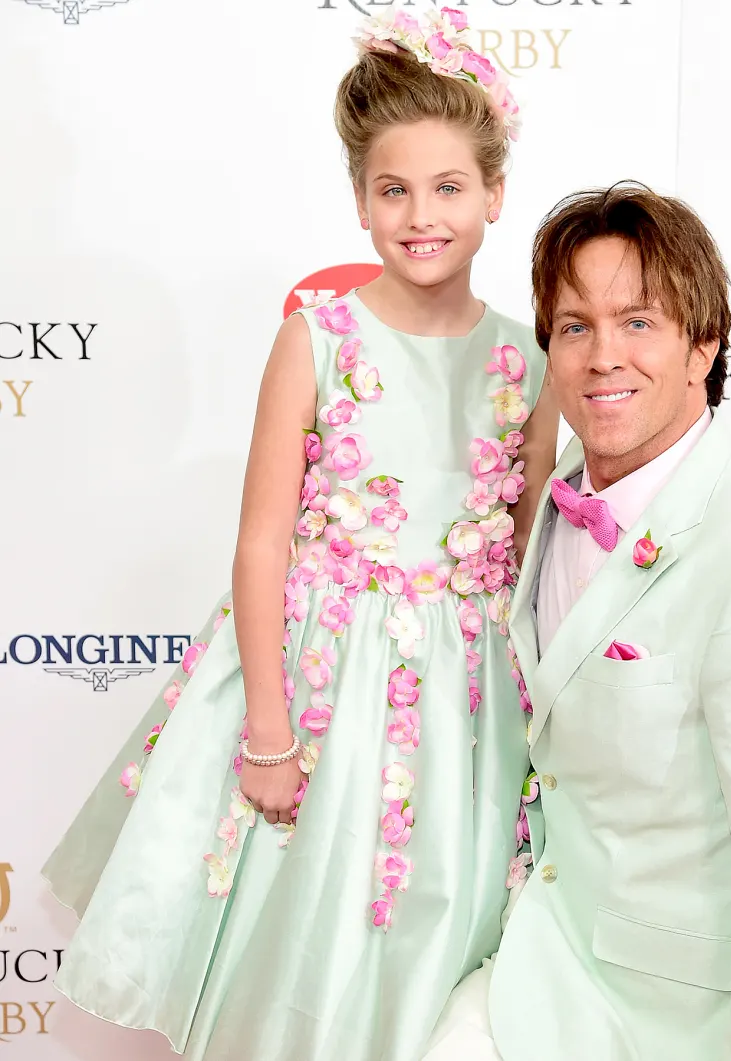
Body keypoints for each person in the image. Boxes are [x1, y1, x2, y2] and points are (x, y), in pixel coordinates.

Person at [42, 9, 558, 1060]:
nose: (422, 215)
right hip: (319, 687)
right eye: (393, 189)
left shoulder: (529, 358)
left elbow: (524, 553)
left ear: (494, 194)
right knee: (297, 932)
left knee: (427, 940)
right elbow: (261, 544)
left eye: (449, 187)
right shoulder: (315, 337)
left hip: (461, 708)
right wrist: (270, 729)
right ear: (361, 199)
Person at [423, 184, 731, 1061]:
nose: (601, 356)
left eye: (638, 322)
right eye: (575, 326)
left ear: (704, 344)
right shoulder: (545, 507)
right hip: (528, 969)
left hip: (667, 1022)